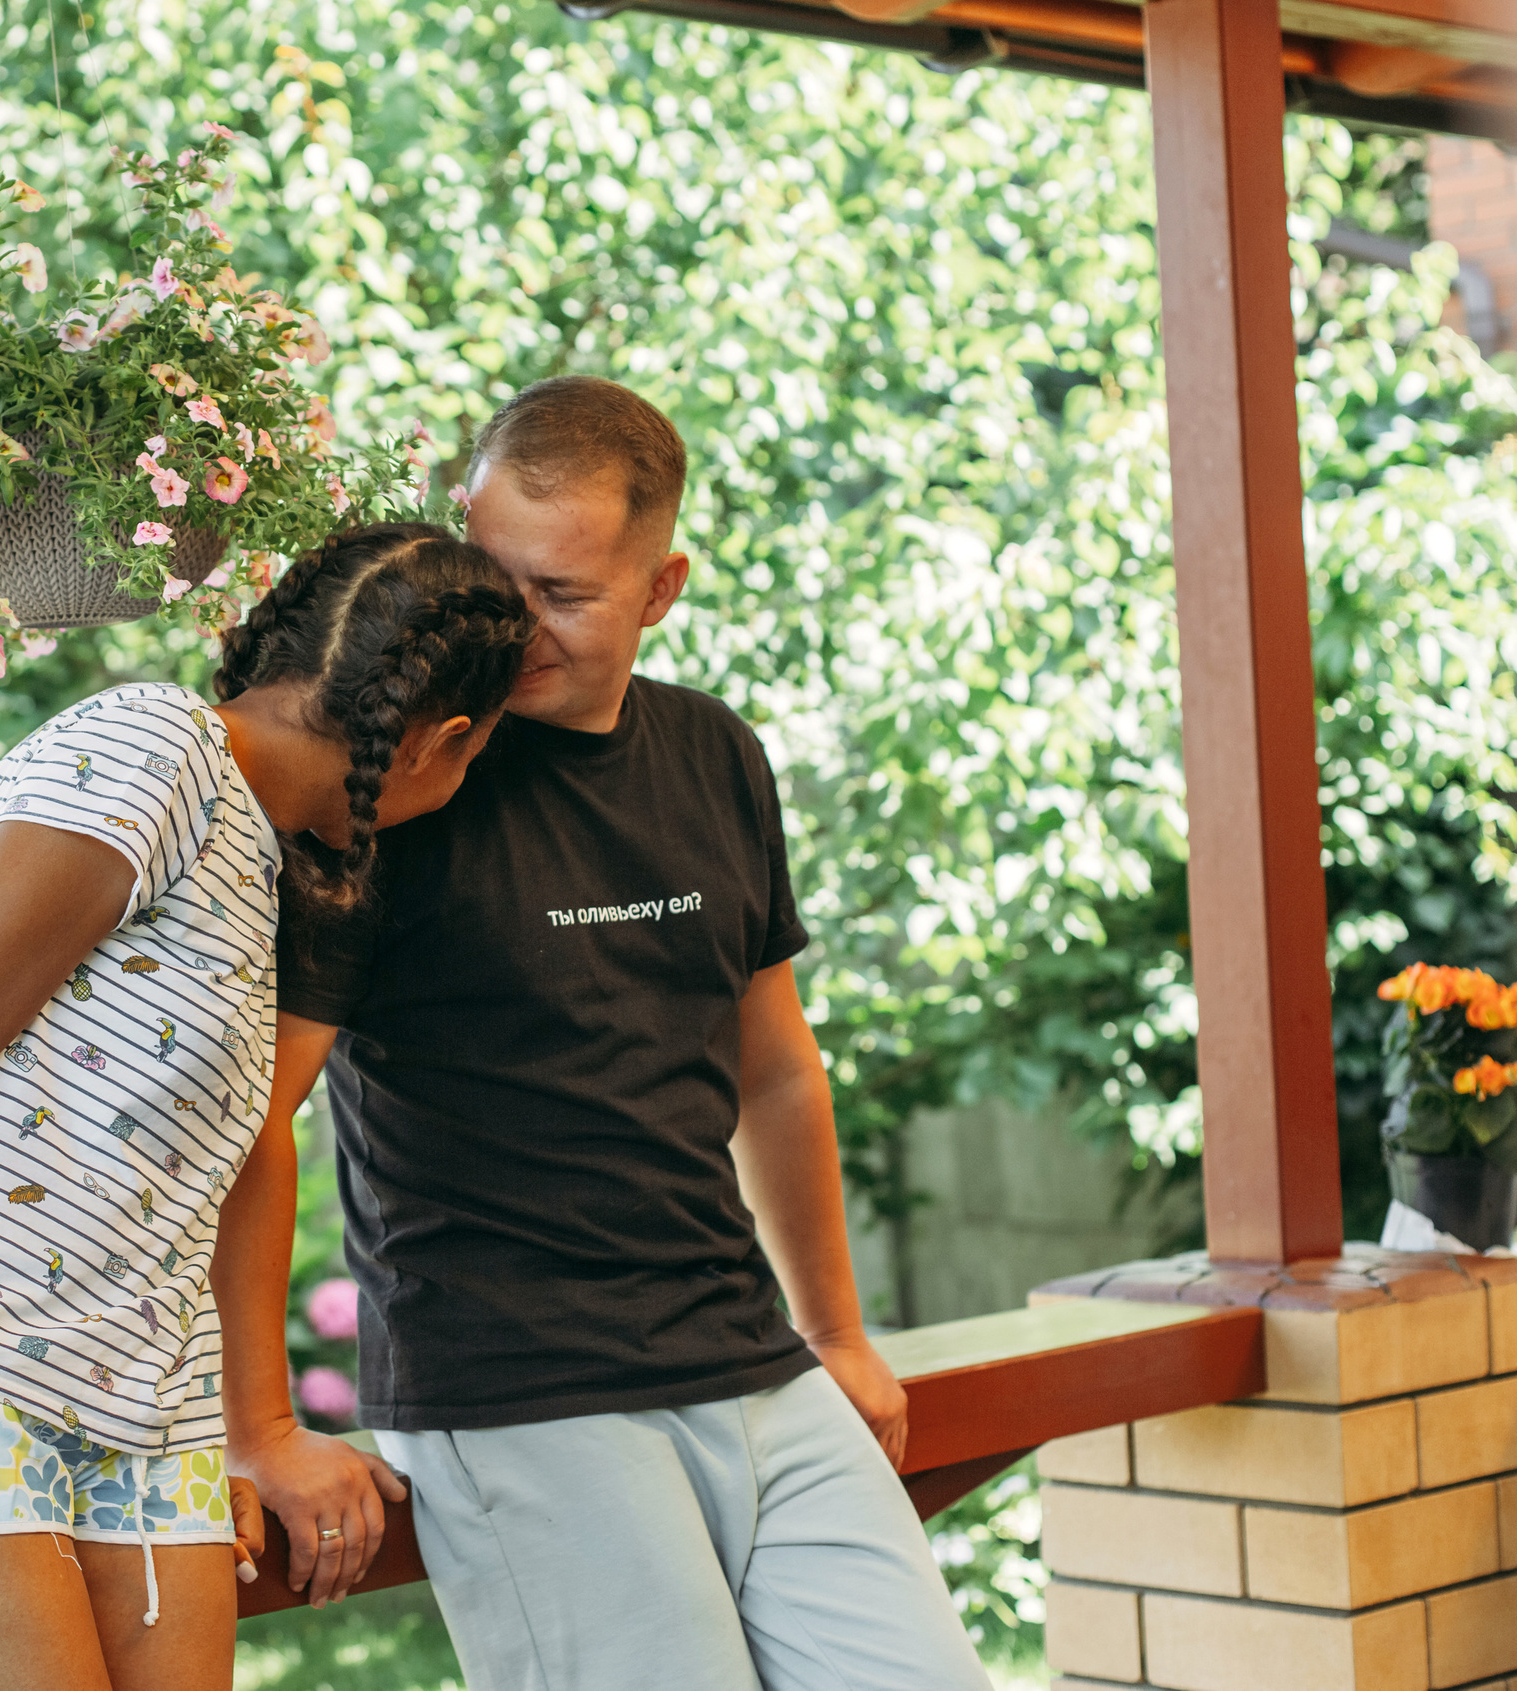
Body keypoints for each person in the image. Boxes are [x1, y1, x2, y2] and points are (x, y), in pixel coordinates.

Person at [0, 524, 536, 1691]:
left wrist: (257, 1428)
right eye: (479, 755)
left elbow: (241, 1153)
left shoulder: (262, 854)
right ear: (443, 739)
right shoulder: (153, 746)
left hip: (152, 1420)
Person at [275, 380, 995, 1691]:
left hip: (746, 1350)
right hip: (515, 1386)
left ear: (660, 588)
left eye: (559, 596)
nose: (508, 626)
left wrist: (836, 1326)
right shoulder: (396, 776)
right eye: (491, 577)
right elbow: (246, 1117)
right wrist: (258, 1420)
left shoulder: (716, 753)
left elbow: (774, 1067)